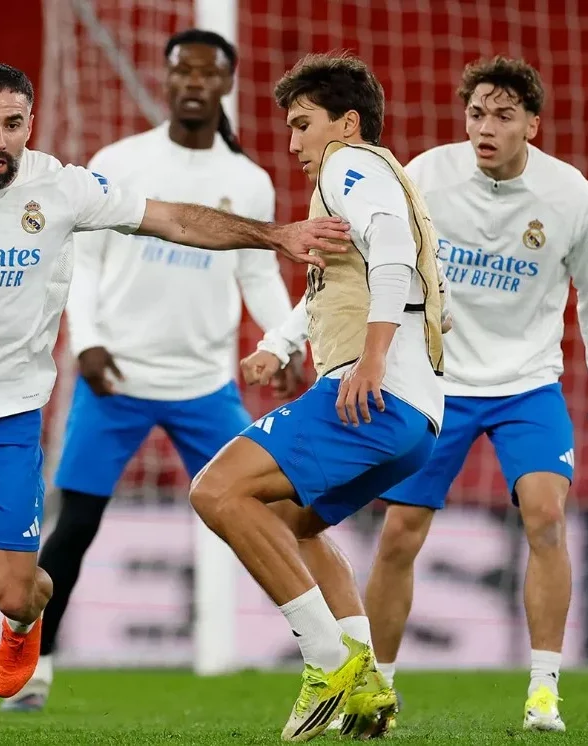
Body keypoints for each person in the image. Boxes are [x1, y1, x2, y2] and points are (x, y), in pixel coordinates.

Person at [0, 62, 350, 743]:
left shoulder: (62, 188)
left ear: (29, 126)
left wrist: (274, 235)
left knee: (14, 590)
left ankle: (26, 623)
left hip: (7, 418)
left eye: (12, 124)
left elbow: (174, 220)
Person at [0, 28, 306, 713]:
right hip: (117, 382)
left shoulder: (247, 181)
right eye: (181, 71)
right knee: (76, 526)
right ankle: (35, 665)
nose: (193, 82)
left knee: (277, 515)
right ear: (166, 79)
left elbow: (258, 274)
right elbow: (83, 263)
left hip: (206, 386)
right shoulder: (122, 162)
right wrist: (87, 344)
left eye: (207, 72)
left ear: (226, 84)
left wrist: (285, 343)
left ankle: (324, 655)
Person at [355, 57, 588, 732]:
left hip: (527, 385)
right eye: (477, 113)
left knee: (547, 516)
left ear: (532, 124)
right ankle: (377, 688)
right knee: (399, 533)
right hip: (437, 381)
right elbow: (373, 264)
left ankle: (543, 691)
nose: (486, 127)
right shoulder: (426, 175)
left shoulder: (571, 196)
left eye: (504, 116)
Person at [189, 51, 450, 742]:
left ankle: (326, 661)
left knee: (216, 492)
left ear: (347, 122)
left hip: (374, 393)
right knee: (293, 524)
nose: (294, 142)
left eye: (303, 124)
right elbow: (347, 283)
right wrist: (281, 344)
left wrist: (371, 359)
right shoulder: (379, 175)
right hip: (417, 417)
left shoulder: (348, 164)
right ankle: (364, 681)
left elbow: (392, 253)